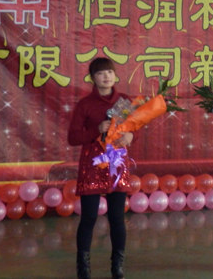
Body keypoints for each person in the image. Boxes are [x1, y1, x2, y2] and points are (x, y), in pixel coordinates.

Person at [68, 57, 136, 279]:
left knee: (117, 217)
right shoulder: (85, 105)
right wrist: (96, 130)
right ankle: (83, 268)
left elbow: (134, 128)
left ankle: (118, 266)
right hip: (93, 165)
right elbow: (73, 138)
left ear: (115, 75)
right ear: (92, 78)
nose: (106, 76)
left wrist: (131, 136)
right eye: (100, 73)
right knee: (89, 217)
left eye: (109, 72)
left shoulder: (124, 101)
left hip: (116, 164)